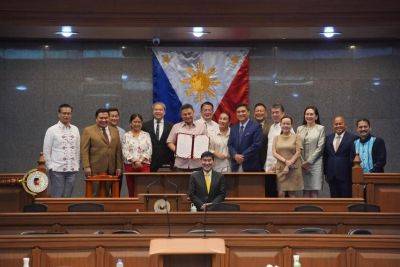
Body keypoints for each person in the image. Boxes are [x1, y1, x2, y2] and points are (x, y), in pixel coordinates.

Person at [81, 108, 122, 196]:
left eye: (106, 118)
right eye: (101, 118)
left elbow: (118, 150)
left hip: (111, 169)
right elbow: (84, 150)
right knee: (94, 194)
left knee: (107, 194)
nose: (104, 120)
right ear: (96, 119)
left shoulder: (115, 131)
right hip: (94, 169)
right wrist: (86, 166)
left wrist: (119, 167)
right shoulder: (88, 130)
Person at [43, 104, 80, 197]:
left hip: (72, 169)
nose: (66, 115)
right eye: (64, 113)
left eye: (69, 113)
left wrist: (77, 165)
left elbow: (77, 149)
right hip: (57, 169)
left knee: (68, 197)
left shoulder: (75, 129)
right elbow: (46, 150)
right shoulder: (51, 130)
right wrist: (50, 166)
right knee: (57, 197)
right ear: (59, 114)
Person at [323, 116, 357, 197]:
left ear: (345, 125)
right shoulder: (328, 138)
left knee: (346, 200)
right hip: (331, 175)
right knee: (334, 200)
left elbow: (354, 157)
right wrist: (325, 173)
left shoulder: (353, 138)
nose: (338, 126)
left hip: (346, 175)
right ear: (333, 126)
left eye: (340, 123)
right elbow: (325, 156)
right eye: (336, 124)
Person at [167, 103, 207, 171]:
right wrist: (178, 150)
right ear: (181, 115)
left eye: (189, 113)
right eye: (184, 114)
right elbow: (169, 142)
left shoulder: (202, 126)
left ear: (193, 113)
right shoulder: (176, 127)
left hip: (197, 164)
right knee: (179, 182)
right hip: (180, 164)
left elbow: (206, 142)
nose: (187, 116)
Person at [296, 105, 325, 198]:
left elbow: (320, 147)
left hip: (315, 164)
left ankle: (315, 212)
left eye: (311, 114)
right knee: (305, 190)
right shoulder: (300, 129)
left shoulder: (321, 128)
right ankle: (305, 212)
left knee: (314, 191)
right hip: (302, 163)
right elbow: (297, 146)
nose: (309, 116)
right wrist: (303, 162)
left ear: (316, 116)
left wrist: (309, 162)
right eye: (307, 114)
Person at [272, 115, 303, 197]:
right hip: (281, 168)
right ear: (280, 125)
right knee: (281, 193)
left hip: (293, 168)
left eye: (288, 124)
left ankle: (292, 210)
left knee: (292, 194)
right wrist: (286, 162)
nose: (286, 125)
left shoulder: (297, 137)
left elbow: (298, 152)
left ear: (291, 125)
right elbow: (274, 152)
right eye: (284, 123)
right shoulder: (276, 138)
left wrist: (289, 164)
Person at [122, 114, 152, 197]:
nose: (137, 124)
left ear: (142, 123)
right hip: (130, 165)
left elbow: (149, 150)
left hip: (144, 165)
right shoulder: (126, 135)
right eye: (134, 121)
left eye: (139, 122)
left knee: (144, 189)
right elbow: (125, 151)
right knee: (131, 189)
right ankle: (132, 208)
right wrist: (135, 161)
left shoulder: (146, 135)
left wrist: (140, 161)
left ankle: (144, 209)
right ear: (130, 123)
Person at [264, 103, 290, 197]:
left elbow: (289, 149)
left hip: (281, 166)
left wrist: (277, 164)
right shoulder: (271, 127)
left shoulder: (286, 127)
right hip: (269, 167)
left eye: (277, 112)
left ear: (283, 113)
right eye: (273, 112)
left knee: (281, 193)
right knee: (270, 193)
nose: (275, 114)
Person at [228, 103, 263, 172]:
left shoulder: (256, 126)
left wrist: (242, 156)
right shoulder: (233, 128)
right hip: (235, 166)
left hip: (251, 166)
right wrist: (235, 155)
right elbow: (230, 145)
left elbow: (256, 145)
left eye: (243, 111)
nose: (241, 114)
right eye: (238, 112)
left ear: (248, 112)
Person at [142, 102, 174, 171]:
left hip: (167, 162)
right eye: (156, 110)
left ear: (164, 112)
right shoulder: (145, 126)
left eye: (160, 110)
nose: (158, 111)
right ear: (152, 111)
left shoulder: (171, 126)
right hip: (149, 162)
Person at [108, 107, 126, 192]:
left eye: (116, 116)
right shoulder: (102, 131)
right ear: (107, 117)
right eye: (112, 116)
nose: (114, 118)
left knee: (117, 192)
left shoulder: (122, 132)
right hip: (105, 167)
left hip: (118, 167)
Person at [253, 103, 271, 168]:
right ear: (254, 114)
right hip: (252, 163)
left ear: (266, 113)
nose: (259, 113)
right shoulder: (249, 127)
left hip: (267, 162)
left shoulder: (271, 127)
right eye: (257, 111)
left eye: (261, 111)